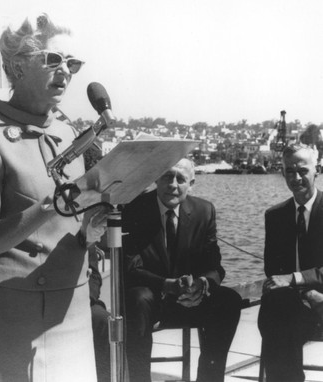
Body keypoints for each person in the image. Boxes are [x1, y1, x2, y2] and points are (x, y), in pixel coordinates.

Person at [0, 13, 107, 382]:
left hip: (72, 306)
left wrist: (90, 229)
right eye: (53, 60)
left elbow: (71, 219)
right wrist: (47, 207)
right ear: (18, 67)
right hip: (14, 313)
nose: (65, 71)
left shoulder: (68, 132)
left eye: (71, 63)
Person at [122, 158, 242, 382]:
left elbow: (215, 266)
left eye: (181, 179)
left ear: (192, 183)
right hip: (151, 299)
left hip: (189, 298)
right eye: (167, 176)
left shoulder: (204, 211)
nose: (173, 184)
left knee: (229, 301)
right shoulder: (134, 209)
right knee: (137, 298)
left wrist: (202, 284)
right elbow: (130, 267)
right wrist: (166, 285)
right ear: (156, 179)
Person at [258, 143, 323, 382]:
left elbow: (287, 277)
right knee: (277, 307)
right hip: (299, 303)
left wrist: (296, 279)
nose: (296, 178)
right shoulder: (275, 216)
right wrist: (307, 294)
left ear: (316, 169)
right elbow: (273, 270)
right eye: (289, 171)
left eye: (303, 170)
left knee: (281, 317)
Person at [89, 245, 111, 382]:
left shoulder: (81, 228)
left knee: (104, 321)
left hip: (80, 302)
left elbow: (94, 276)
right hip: (30, 300)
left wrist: (85, 299)